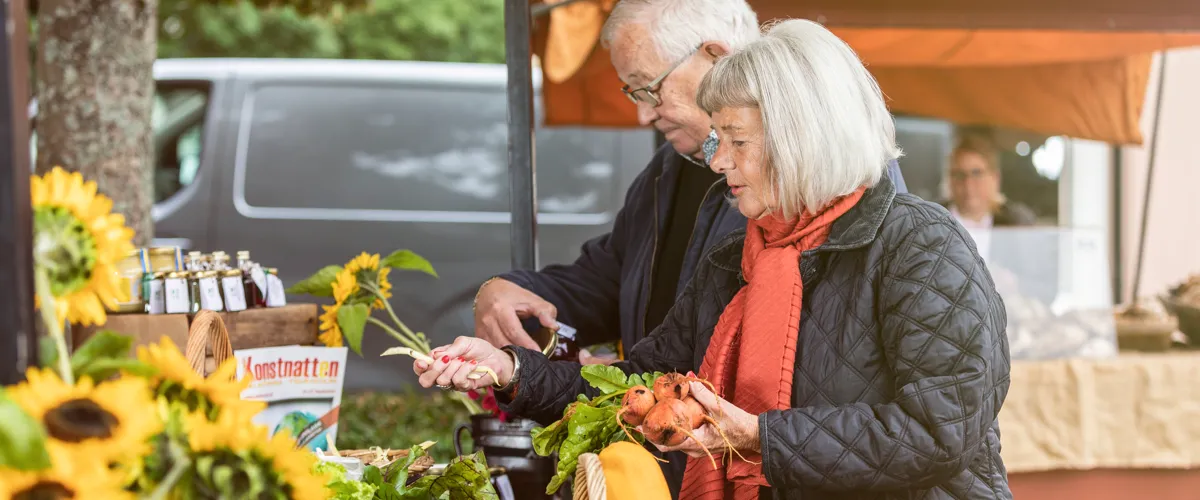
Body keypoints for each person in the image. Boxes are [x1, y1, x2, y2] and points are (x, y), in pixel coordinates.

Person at [418, 19, 1011, 499]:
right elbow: (640, 384)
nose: (718, 161)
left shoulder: (919, 244)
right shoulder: (735, 260)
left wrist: (758, 438)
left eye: (737, 141)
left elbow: (942, 429)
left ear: (801, 138)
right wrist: (510, 369)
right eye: (715, 140)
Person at [473, 0, 907, 363]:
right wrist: (513, 289)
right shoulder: (665, 172)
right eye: (632, 92)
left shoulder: (831, 169)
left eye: (649, 88)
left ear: (715, 55)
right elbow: (609, 281)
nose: (644, 115)